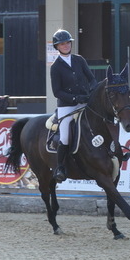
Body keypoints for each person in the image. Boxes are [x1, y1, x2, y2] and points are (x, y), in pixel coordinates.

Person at [49, 29, 96, 183]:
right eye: (62, 43)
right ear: (57, 46)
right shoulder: (55, 67)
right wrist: (75, 98)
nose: (66, 45)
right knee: (65, 136)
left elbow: (91, 79)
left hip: (85, 101)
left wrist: (92, 92)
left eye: (68, 42)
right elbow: (57, 92)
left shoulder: (79, 60)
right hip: (67, 106)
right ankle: (60, 167)